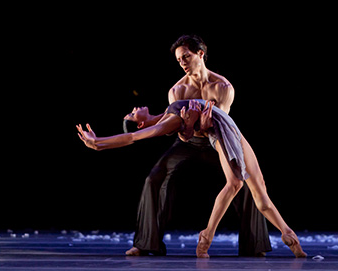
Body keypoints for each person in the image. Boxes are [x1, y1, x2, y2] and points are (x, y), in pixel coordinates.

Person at [76, 99, 307, 258]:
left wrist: (195, 124)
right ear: (141, 122)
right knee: (235, 183)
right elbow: (133, 137)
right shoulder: (168, 121)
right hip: (218, 127)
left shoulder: (170, 114)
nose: (134, 108)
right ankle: (206, 236)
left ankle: (288, 234)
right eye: (132, 114)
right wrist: (98, 143)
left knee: (260, 191)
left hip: (228, 125)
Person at [112, 35, 271, 257]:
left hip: (218, 140)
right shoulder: (177, 91)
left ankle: (255, 246)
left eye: (186, 57)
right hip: (189, 141)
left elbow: (221, 126)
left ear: (200, 54)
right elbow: (177, 128)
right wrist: (188, 132)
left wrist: (205, 127)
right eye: (179, 60)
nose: (183, 63)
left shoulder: (223, 87)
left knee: (244, 179)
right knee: (154, 178)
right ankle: (146, 243)